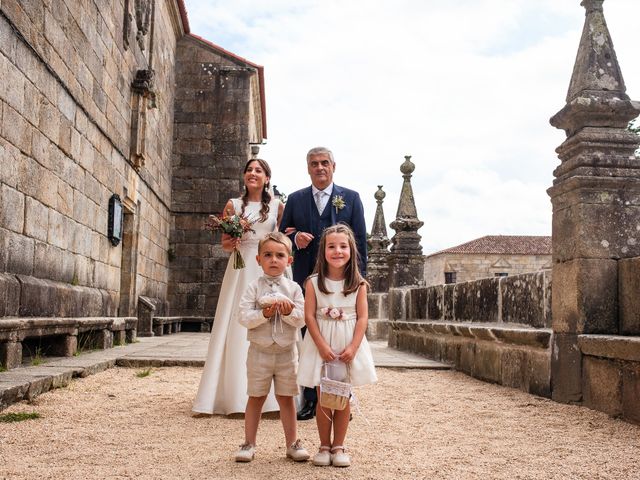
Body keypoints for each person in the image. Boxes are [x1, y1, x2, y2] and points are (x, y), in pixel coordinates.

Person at [279, 146, 367, 420]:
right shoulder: (295, 199)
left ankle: (341, 399)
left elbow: (361, 243)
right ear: (308, 168)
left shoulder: (351, 198)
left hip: (342, 281)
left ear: (333, 166)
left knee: (341, 336)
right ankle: (310, 399)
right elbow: (281, 238)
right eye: (314, 163)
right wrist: (295, 240)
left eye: (324, 163)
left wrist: (358, 280)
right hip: (307, 279)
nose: (320, 167)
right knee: (310, 338)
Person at [192, 158, 283, 416]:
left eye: (259, 170)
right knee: (236, 324)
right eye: (249, 170)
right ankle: (233, 396)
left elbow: (281, 240)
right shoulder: (234, 205)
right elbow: (224, 243)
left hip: (267, 268)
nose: (253, 174)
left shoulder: (277, 206)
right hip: (241, 268)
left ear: (267, 178)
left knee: (270, 323)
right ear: (244, 176)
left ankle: (273, 400)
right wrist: (234, 240)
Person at [297, 224, 377, 468]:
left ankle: (339, 445)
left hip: (345, 346)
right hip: (322, 345)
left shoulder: (359, 284)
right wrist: (320, 345)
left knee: (343, 398)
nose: (338, 251)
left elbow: (362, 318)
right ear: (323, 251)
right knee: (324, 398)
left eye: (343, 246)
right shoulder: (312, 283)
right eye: (332, 246)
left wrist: (353, 347)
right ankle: (323, 445)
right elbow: (309, 316)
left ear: (351, 250)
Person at [234, 232, 310, 463]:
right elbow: (243, 316)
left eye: (280, 255)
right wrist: (263, 314)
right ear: (258, 260)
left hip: (287, 352)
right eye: (268, 255)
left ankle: (292, 443)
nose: (274, 260)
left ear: (289, 260)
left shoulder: (295, 288)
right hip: (259, 351)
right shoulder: (253, 287)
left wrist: (287, 312)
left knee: (287, 398)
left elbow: (302, 319)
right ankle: (249, 443)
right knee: (255, 396)